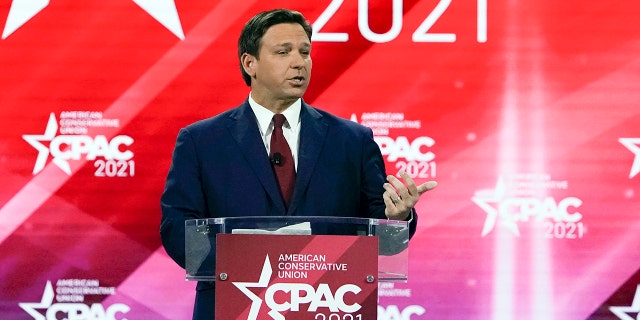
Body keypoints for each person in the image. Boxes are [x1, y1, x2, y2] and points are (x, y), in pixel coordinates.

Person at [160, 8, 437, 319]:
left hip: (328, 306)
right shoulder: (202, 141)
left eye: (305, 52)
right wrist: (255, 261)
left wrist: (396, 217)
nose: (299, 62)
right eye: (283, 52)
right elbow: (177, 233)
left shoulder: (352, 140)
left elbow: (384, 245)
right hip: (232, 307)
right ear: (249, 63)